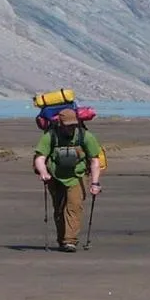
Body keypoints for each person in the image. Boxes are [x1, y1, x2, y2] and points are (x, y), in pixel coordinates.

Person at [33, 108, 104, 252]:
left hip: (76, 177)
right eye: (68, 125)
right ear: (60, 123)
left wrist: (95, 183)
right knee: (59, 210)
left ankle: (70, 241)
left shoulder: (85, 136)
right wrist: (43, 172)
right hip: (55, 177)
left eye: (73, 125)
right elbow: (40, 157)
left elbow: (95, 160)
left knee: (74, 208)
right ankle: (62, 240)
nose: (71, 128)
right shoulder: (50, 136)